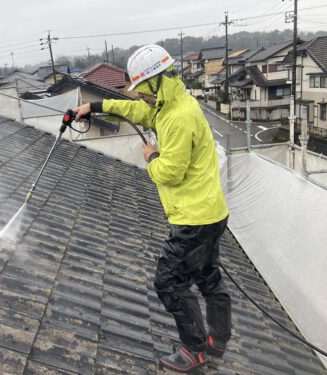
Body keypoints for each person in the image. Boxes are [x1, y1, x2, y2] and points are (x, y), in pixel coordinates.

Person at [73, 45, 231, 373]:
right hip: (210, 212)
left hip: (194, 219)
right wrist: (94, 105)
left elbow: (169, 173)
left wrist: (151, 157)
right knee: (207, 277)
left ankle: (195, 349)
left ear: (156, 83)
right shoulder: (170, 103)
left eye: (142, 90)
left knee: (169, 283)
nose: (141, 97)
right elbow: (137, 112)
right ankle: (218, 340)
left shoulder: (177, 117)